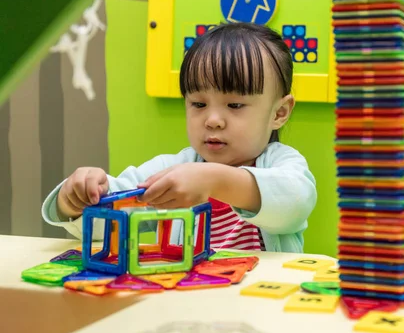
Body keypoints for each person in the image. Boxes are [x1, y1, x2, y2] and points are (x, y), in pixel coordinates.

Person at [41, 22, 317, 253]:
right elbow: (110, 219)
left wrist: (214, 179)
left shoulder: (281, 163)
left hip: (261, 305)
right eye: (198, 104)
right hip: (186, 303)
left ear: (279, 113)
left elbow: (295, 202)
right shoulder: (171, 171)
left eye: (234, 105)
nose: (212, 120)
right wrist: (76, 198)